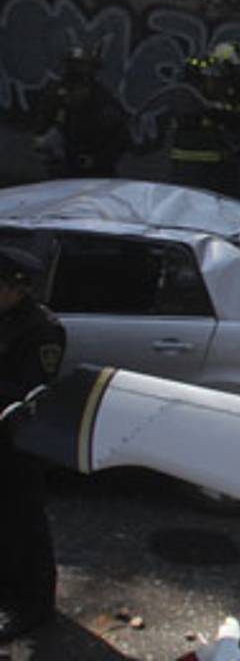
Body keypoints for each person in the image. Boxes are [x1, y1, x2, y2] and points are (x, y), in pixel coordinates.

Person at [0, 247, 66, 641]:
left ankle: (34, 607)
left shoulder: (41, 329)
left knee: (23, 528)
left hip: (16, 444)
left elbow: (30, 391)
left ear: (17, 289)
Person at [168, 42, 240, 197]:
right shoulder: (191, 92)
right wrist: (221, 116)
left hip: (223, 163)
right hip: (190, 165)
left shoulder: (235, 93)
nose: (233, 78)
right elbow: (191, 118)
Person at [32, 46, 128, 178]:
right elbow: (44, 122)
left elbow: (119, 139)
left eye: (83, 66)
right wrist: (43, 141)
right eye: (73, 65)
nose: (77, 71)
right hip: (62, 166)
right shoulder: (56, 93)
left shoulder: (104, 104)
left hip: (95, 172)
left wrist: (97, 160)